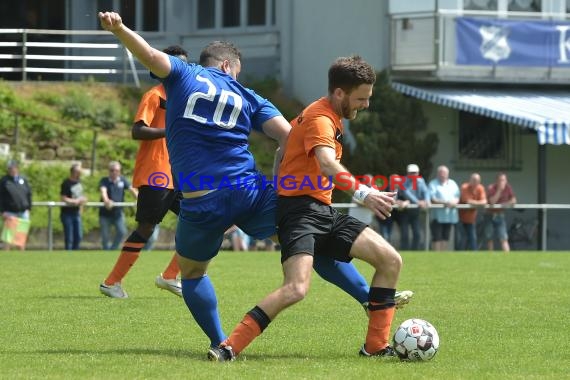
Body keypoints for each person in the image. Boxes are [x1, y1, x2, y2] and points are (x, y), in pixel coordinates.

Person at [98, 12, 412, 350]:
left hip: (202, 200)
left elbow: (149, 55)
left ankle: (220, 341)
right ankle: (368, 298)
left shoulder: (184, 75)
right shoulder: (249, 96)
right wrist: (282, 177)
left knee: (191, 275)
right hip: (250, 192)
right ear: (228, 66)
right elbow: (290, 137)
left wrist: (119, 29)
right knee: (309, 238)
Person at [208, 55, 404, 361]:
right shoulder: (321, 119)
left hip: (322, 211)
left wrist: (280, 179)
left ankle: (376, 346)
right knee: (296, 289)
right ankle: (228, 347)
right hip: (300, 213)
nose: (366, 105)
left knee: (390, 260)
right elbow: (327, 163)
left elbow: (282, 149)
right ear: (340, 93)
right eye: (361, 98)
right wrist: (364, 193)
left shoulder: (321, 114)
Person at [99, 46, 188, 299]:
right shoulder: (154, 95)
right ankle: (111, 283)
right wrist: (169, 130)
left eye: (183, 65)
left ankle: (171, 276)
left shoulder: (183, 99)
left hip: (179, 174)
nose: (178, 70)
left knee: (207, 219)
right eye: (173, 64)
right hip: (156, 172)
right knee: (147, 228)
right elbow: (137, 130)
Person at [98, 161, 138, 250]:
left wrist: (139, 199)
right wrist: (107, 201)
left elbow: (132, 190)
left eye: (116, 170)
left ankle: (112, 249)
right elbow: (103, 191)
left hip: (118, 213)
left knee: (122, 232)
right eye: (112, 170)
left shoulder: (123, 180)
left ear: (119, 171)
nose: (114, 172)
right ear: (109, 171)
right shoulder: (104, 181)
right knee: (105, 236)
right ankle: (105, 253)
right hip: (105, 214)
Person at [0, 160, 32, 250]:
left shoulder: (23, 179)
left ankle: (21, 255)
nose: (11, 170)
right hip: (10, 212)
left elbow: (29, 194)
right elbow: (0, 197)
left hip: (23, 212)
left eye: (13, 168)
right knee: (8, 236)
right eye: (10, 168)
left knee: (21, 236)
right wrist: (2, 211)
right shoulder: (4, 181)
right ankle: (6, 254)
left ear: (17, 168)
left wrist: (29, 208)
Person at [398, 164, 430, 250]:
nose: (413, 174)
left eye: (415, 173)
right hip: (404, 211)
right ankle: (404, 252)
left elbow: (426, 192)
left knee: (417, 234)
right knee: (404, 234)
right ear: (407, 173)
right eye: (411, 173)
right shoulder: (402, 181)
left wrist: (426, 201)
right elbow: (407, 193)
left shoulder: (421, 180)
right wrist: (418, 202)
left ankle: (414, 252)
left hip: (415, 211)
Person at [428, 165, 460, 251]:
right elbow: (432, 199)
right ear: (438, 173)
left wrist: (454, 202)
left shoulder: (453, 183)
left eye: (444, 173)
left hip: (449, 216)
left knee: (446, 237)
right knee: (437, 237)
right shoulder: (433, 184)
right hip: (437, 217)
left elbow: (457, 197)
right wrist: (445, 202)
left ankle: (443, 256)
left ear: (448, 174)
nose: (443, 175)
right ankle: (436, 256)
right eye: (441, 173)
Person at [485, 172, 517, 252]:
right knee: (489, 237)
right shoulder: (491, 188)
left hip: (500, 215)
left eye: (504, 180)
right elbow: (492, 202)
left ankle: (507, 257)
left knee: (503, 237)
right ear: (496, 181)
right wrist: (499, 191)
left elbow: (514, 200)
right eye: (500, 180)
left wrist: (505, 204)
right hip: (489, 215)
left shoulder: (508, 188)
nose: (502, 182)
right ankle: (490, 257)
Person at [60, 163, 87, 250]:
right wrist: (74, 201)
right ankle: (68, 254)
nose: (80, 173)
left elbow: (82, 196)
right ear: (73, 172)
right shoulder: (66, 183)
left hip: (76, 213)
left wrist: (82, 202)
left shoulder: (80, 182)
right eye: (78, 172)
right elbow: (63, 198)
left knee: (78, 236)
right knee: (69, 237)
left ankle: (76, 253)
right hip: (67, 213)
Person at [458, 173, 487, 251]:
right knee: (461, 238)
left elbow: (484, 201)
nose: (475, 182)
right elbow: (466, 200)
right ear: (470, 180)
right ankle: (459, 256)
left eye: (477, 181)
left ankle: (474, 256)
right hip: (460, 218)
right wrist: (478, 203)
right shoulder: (464, 187)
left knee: (473, 238)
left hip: (471, 219)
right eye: (474, 180)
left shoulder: (480, 188)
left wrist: (473, 202)